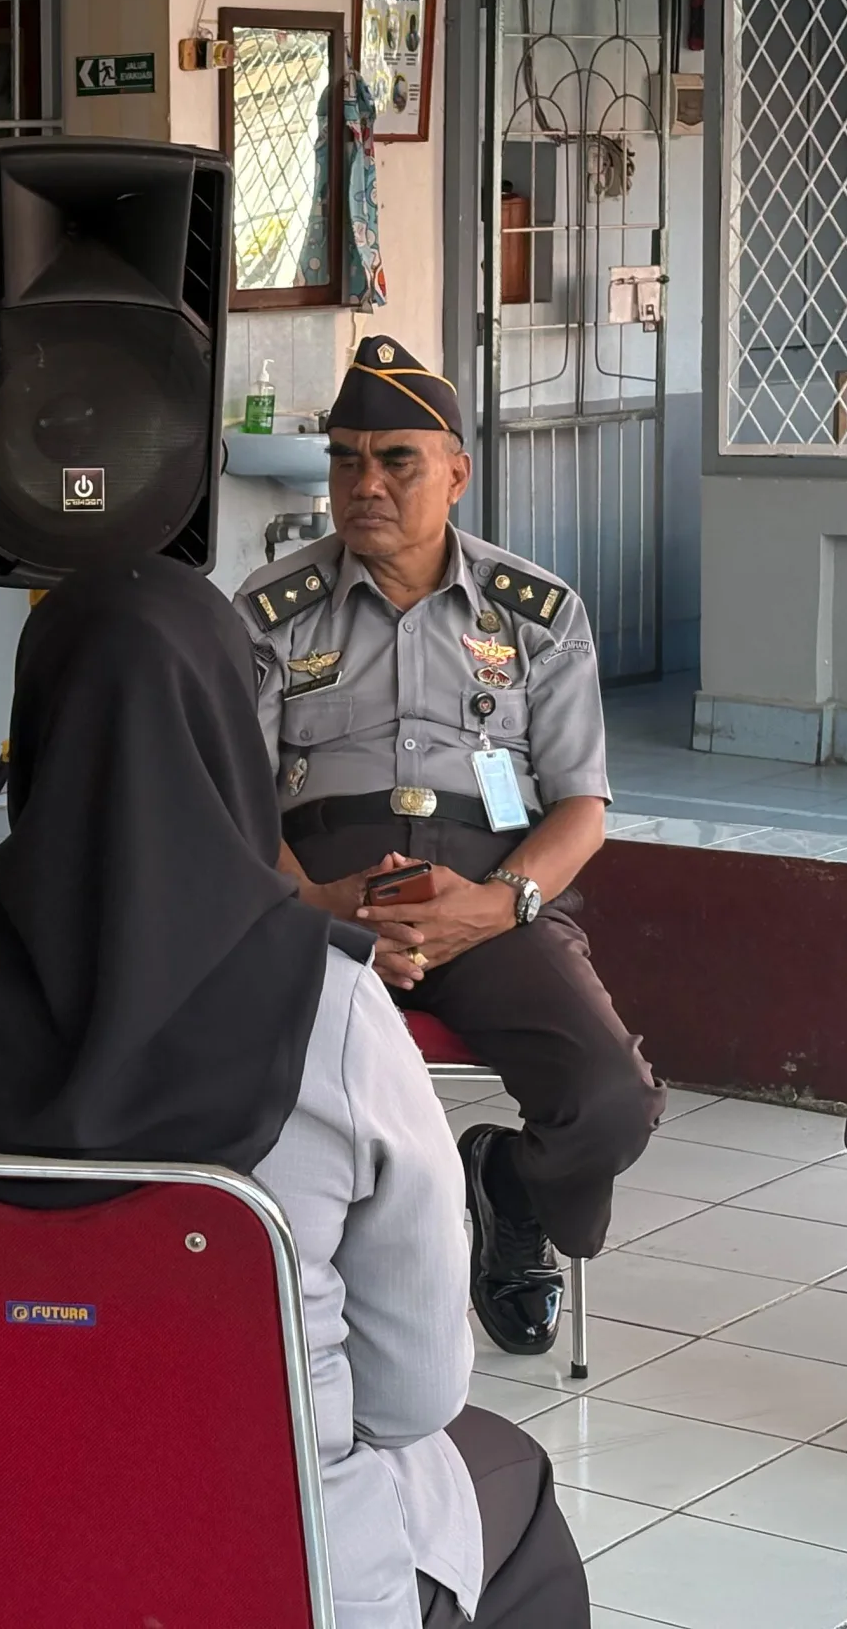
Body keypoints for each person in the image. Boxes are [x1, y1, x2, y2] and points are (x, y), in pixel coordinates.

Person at [0, 559, 589, 1628]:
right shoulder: (327, 1006)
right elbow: (413, 1397)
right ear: (229, 737)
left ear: (31, 730)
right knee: (513, 1491)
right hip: (268, 1580)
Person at [233, 335, 659, 1358]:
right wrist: (319, 910)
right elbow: (237, 803)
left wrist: (494, 905)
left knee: (609, 1101)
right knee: (230, 1076)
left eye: (397, 461)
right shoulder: (267, 615)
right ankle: (271, 1289)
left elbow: (581, 806)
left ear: (457, 474)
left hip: (489, 892)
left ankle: (510, 1187)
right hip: (315, 899)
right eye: (345, 460)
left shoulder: (536, 613)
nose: (365, 485)